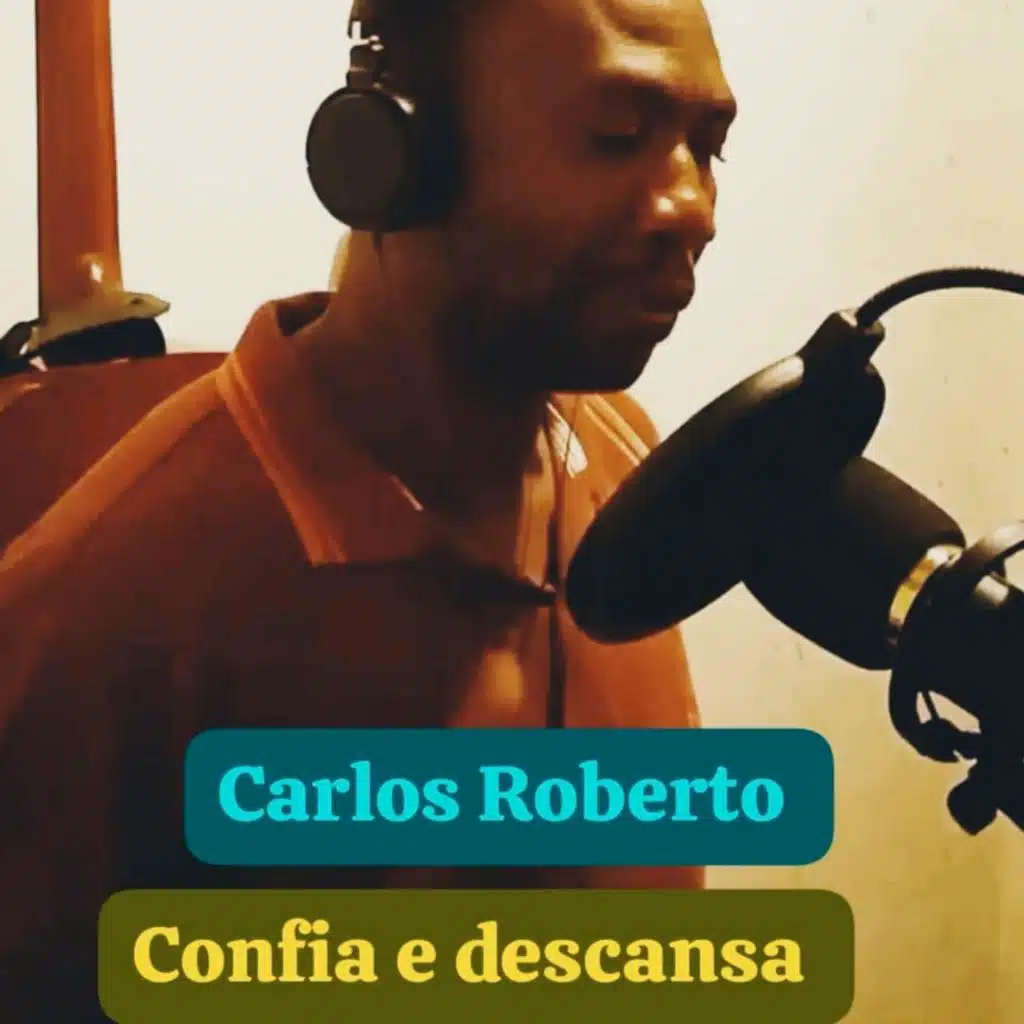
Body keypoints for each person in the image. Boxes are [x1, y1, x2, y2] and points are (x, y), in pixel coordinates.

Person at [0, 0, 736, 1016]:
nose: (692, 207)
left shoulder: (624, 461)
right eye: (617, 135)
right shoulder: (103, 601)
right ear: (389, 156)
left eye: (709, 149)